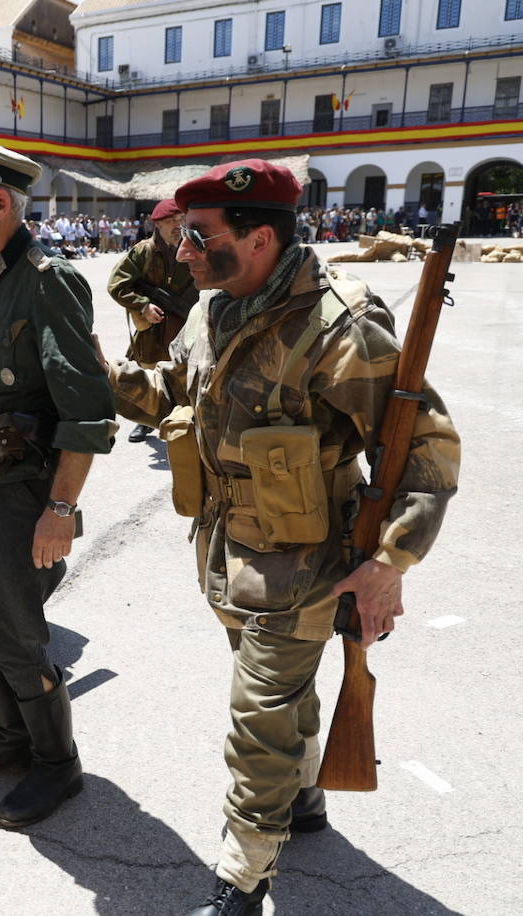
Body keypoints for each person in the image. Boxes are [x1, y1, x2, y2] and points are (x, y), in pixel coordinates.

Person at [102, 159, 460, 914]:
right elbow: (172, 392)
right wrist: (99, 377)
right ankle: (303, 803)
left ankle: (243, 878)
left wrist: (389, 563)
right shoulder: (213, 309)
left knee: (258, 724)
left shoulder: (340, 327)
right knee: (282, 702)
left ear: (259, 237)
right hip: (230, 559)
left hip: (305, 570)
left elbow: (425, 452)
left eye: (198, 237)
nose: (182, 252)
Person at [0, 124, 116, 830]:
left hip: (24, 487)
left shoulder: (48, 284)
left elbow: (89, 412)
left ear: (0, 204)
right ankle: (12, 738)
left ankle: (55, 761)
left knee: (14, 635)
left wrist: (61, 509)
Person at [106, 197, 198, 443]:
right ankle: (144, 422)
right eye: (171, 221)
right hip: (154, 327)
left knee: (187, 372)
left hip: (188, 323)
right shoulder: (143, 252)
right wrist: (143, 306)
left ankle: (186, 419)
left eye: (181, 220)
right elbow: (117, 285)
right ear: (157, 224)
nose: (178, 225)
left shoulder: (193, 248)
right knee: (147, 371)